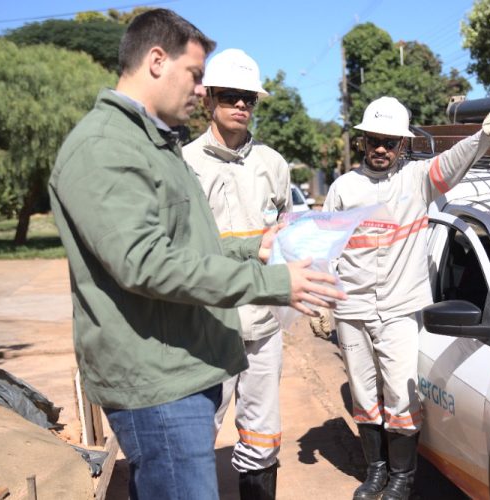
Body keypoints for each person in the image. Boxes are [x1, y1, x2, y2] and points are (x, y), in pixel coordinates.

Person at [48, 9, 344, 500]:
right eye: (197, 76)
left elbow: (183, 246)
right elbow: (145, 263)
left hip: (182, 366)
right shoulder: (105, 147)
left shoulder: (153, 144)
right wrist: (272, 282)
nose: (202, 91)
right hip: (158, 383)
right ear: (157, 61)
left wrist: (255, 247)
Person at [323, 96, 490, 500]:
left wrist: (487, 134)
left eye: (390, 142)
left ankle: (403, 478)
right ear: (363, 142)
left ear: (402, 146)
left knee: (400, 394)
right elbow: (326, 247)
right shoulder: (344, 188)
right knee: (363, 395)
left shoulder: (416, 180)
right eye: (374, 140)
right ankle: (376, 471)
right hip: (351, 309)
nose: (381, 148)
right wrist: (323, 301)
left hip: (398, 309)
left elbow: (453, 161)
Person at [183, 48, 288, 499]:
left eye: (249, 98)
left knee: (262, 435)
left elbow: (283, 236)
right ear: (209, 100)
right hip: (208, 325)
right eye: (230, 96)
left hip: (263, 324)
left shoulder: (273, 165)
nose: (241, 105)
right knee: (195, 434)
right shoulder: (184, 164)